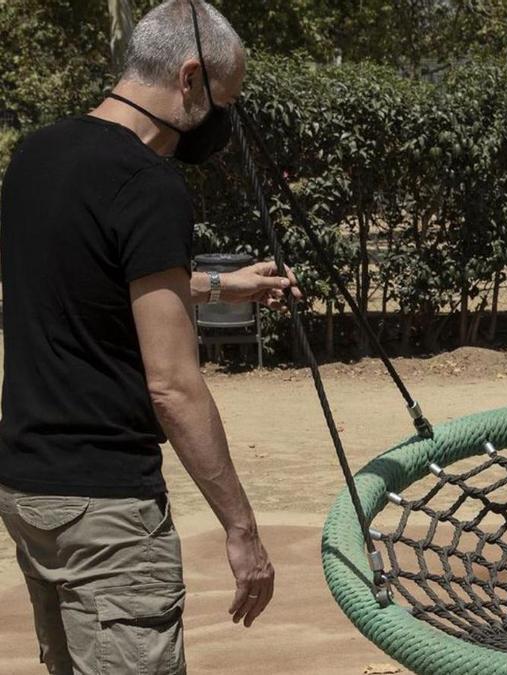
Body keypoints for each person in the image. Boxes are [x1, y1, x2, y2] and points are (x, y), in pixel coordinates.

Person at [0, 2, 298, 673]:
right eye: (227, 101)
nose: (224, 122)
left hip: (28, 488)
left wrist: (223, 287)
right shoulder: (146, 182)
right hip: (107, 508)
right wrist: (242, 528)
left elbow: (90, 279)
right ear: (190, 78)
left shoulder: (35, 155)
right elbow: (172, 386)